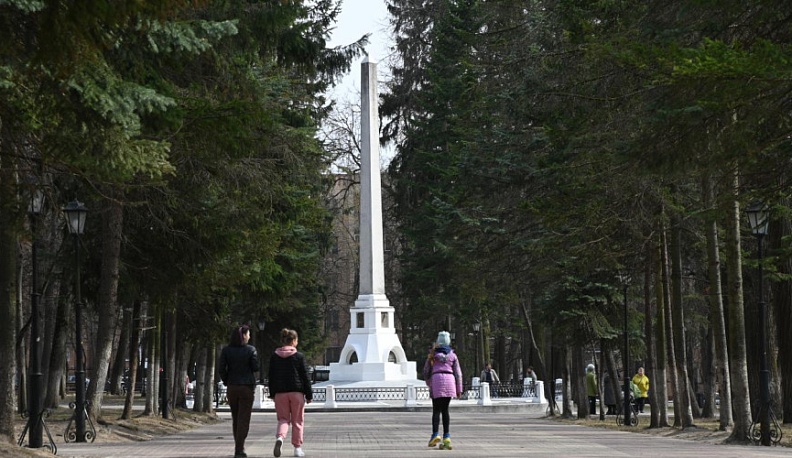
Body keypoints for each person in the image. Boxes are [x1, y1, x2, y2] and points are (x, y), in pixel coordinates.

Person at [268, 328, 313, 457]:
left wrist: (272, 393)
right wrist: (309, 395)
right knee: (297, 421)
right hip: (296, 393)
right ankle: (297, 448)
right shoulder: (299, 356)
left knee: (283, 419)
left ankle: (280, 438)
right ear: (293, 341)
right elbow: (305, 376)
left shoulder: (274, 356)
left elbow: (271, 376)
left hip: (280, 393)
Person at [219, 324, 260, 458]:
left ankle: (238, 446)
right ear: (243, 336)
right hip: (246, 387)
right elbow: (255, 367)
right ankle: (239, 449)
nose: (249, 336)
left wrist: (227, 380)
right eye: (248, 334)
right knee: (244, 419)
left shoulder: (226, 350)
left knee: (235, 418)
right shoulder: (251, 350)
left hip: (232, 387)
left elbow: (221, 369)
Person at [423, 331, 463, 450]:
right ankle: (447, 437)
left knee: (436, 410)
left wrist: (428, 382)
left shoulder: (433, 354)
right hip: (449, 380)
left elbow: (426, 371)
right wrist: (459, 388)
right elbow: (458, 373)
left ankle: (435, 434)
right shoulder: (452, 355)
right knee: (445, 410)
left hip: (436, 380)